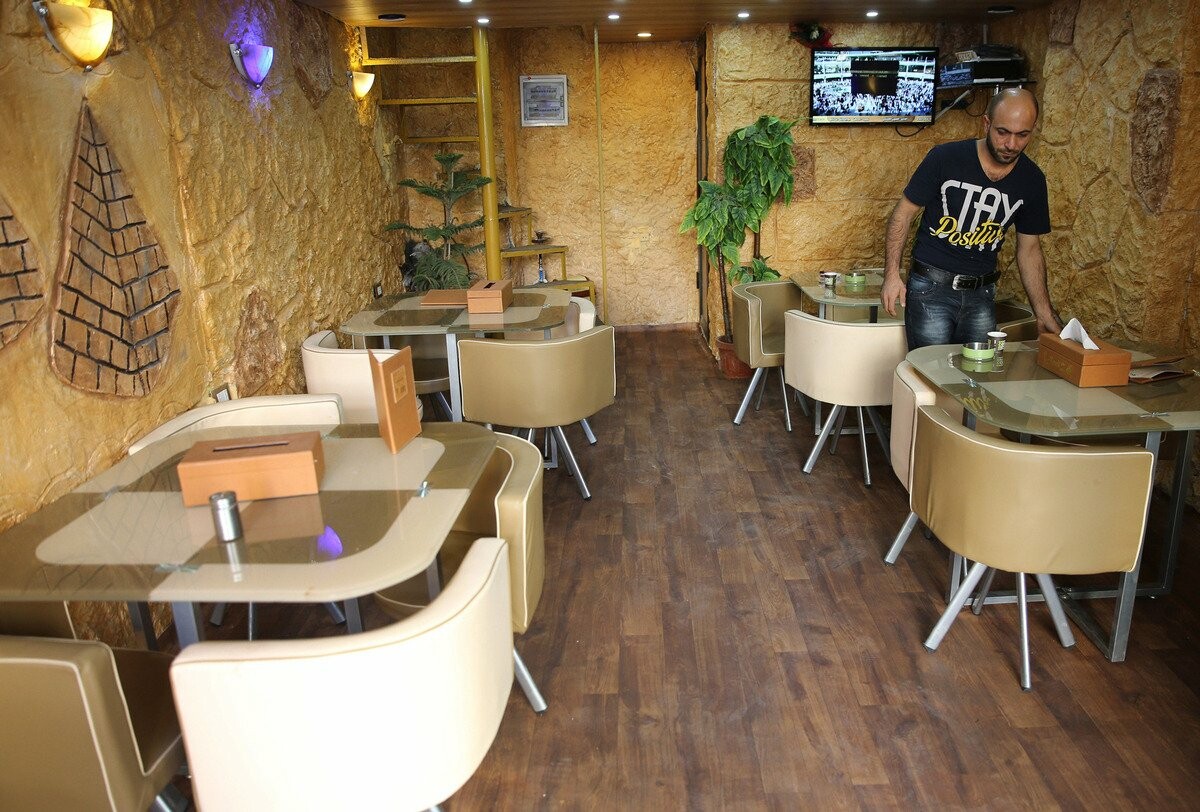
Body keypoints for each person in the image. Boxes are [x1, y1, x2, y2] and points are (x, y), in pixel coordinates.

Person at [881, 87, 1061, 348]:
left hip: (982, 294)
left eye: (1022, 135)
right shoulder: (945, 158)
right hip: (931, 288)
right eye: (1003, 132)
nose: (1011, 144)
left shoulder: (1032, 180)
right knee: (930, 369)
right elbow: (903, 214)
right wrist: (891, 275)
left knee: (978, 373)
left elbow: (1030, 249)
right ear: (986, 123)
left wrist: (1043, 312)